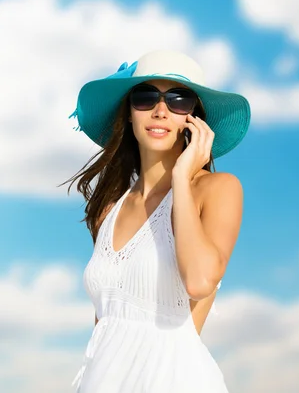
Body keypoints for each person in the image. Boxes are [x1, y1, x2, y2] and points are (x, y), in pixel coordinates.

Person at [63, 50, 250, 392]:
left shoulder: (217, 190)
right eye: (146, 97)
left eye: (179, 100)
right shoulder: (110, 207)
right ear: (130, 113)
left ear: (195, 119)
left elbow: (199, 281)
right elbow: (105, 324)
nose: (160, 110)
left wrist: (182, 177)